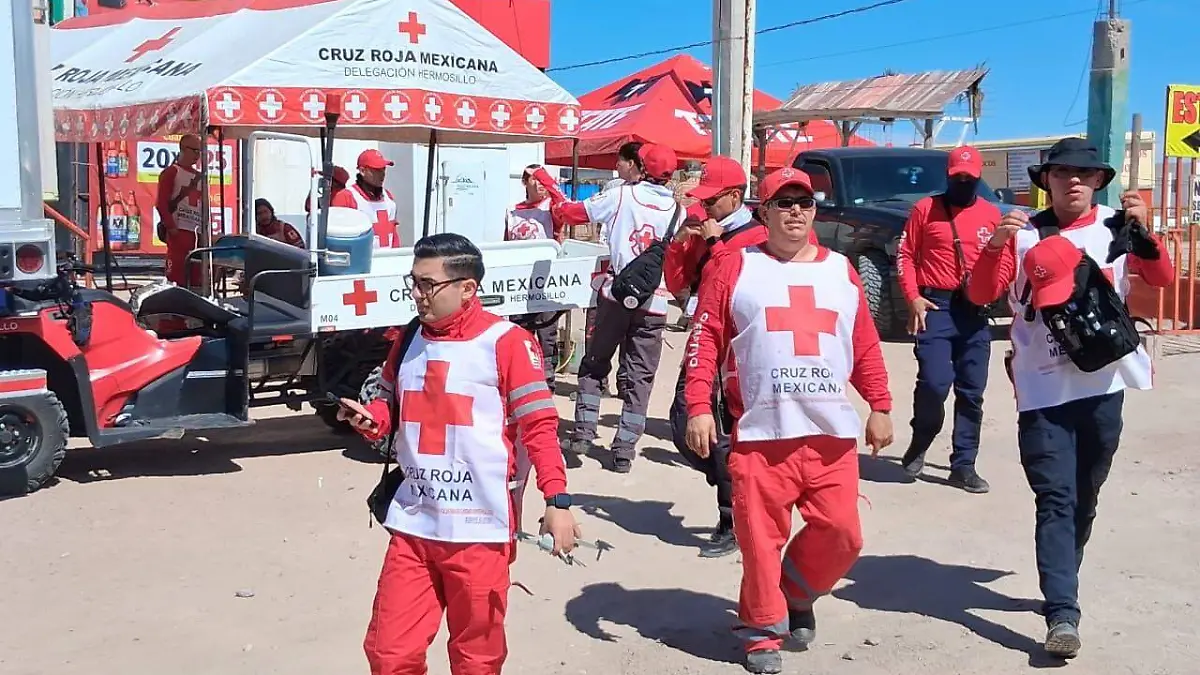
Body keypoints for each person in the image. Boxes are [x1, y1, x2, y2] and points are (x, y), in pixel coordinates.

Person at [965, 137, 1174, 658]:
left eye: (1084, 174)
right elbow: (979, 294)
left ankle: (1064, 574)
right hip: (1042, 390)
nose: (1073, 181)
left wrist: (1145, 233)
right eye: (1062, 173)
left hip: (1106, 386)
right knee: (1055, 498)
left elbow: (1163, 278)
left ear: (1099, 181)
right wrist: (994, 247)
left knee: (1086, 492)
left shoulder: (1114, 227)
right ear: (1047, 181)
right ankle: (1063, 612)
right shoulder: (1021, 234)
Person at [337, 232, 580, 675]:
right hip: (415, 522)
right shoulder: (409, 337)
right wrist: (372, 418)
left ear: (467, 288)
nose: (416, 293)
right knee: (388, 653)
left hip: (480, 530)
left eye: (428, 284)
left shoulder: (507, 343)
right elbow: (389, 404)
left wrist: (556, 500)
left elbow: (540, 428)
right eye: (413, 281)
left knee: (476, 658)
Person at [684, 166, 893, 674]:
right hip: (760, 433)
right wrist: (696, 406)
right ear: (764, 211)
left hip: (830, 433)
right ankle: (761, 633)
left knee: (844, 534)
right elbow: (705, 336)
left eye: (804, 201)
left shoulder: (840, 269)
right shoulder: (735, 266)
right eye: (784, 202)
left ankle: (795, 591)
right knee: (760, 543)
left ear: (815, 210)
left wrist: (880, 404)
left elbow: (862, 341)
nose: (796, 210)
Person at [538, 143, 681, 473]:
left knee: (595, 363)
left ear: (641, 167)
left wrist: (549, 184)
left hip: (615, 296)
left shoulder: (621, 197)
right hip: (655, 303)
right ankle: (624, 450)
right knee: (640, 377)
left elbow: (572, 213)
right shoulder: (679, 212)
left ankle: (584, 433)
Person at [664, 156, 766, 558]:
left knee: (722, 438)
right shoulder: (705, 232)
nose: (703, 207)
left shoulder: (756, 238)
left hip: (736, 351)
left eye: (711, 200)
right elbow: (676, 282)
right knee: (683, 425)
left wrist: (715, 242)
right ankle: (740, 488)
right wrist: (680, 242)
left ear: (735, 197)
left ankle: (732, 518)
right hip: (702, 341)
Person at [895, 145, 1000, 493]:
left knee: (972, 392)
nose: (964, 182)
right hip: (936, 307)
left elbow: (1005, 261)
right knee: (935, 383)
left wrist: (995, 292)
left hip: (974, 312)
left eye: (970, 177)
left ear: (979, 176)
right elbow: (906, 255)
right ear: (949, 176)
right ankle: (921, 440)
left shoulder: (991, 214)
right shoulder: (926, 209)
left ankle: (964, 465)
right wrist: (913, 297)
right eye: (958, 177)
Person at [506, 164, 569, 388]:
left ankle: (546, 380)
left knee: (546, 332)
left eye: (544, 180)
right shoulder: (512, 212)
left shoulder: (551, 208)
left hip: (546, 281)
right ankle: (521, 377)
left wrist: (545, 177)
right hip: (519, 282)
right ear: (525, 182)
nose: (541, 184)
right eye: (535, 179)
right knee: (520, 332)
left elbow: (564, 202)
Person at [156, 133, 205, 290]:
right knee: (177, 277)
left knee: (197, 277)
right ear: (183, 149)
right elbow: (161, 203)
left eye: (200, 152)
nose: (198, 155)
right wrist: (172, 228)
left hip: (197, 234)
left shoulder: (200, 177)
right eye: (195, 151)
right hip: (180, 231)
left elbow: (204, 207)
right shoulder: (172, 172)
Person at [332, 149, 402, 248]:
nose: (382, 174)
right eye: (377, 170)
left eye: (383, 169)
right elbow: (339, 238)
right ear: (362, 171)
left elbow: (394, 234)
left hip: (388, 260)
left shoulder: (388, 197)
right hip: (361, 261)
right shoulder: (346, 197)